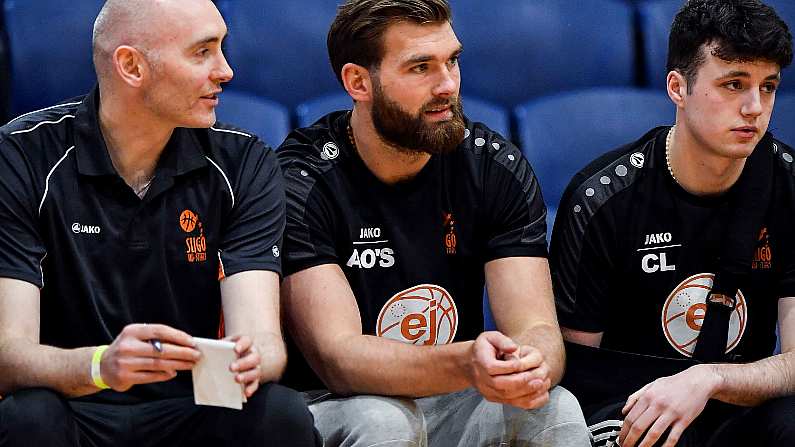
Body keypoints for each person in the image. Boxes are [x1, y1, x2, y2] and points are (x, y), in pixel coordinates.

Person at [0, 1, 319, 446]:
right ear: (131, 65)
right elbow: (8, 354)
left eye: (222, 48)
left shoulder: (245, 162)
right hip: (75, 402)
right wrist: (100, 366)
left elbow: (262, 339)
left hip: (194, 406)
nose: (225, 70)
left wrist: (254, 359)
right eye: (202, 52)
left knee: (279, 412)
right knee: (28, 416)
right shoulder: (23, 155)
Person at [277, 0, 590, 445]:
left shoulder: (493, 167)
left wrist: (530, 364)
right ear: (358, 82)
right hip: (336, 402)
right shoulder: (302, 180)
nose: (447, 85)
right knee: (383, 423)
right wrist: (465, 363)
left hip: (453, 395)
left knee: (555, 409)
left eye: (452, 61)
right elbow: (338, 357)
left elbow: (536, 327)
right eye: (420, 67)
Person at [551, 0, 795, 446]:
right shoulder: (601, 198)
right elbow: (578, 375)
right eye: (734, 84)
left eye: (769, 86)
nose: (755, 108)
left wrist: (707, 380)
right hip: (630, 405)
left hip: (738, 401)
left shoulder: (788, 184)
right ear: (677, 88)